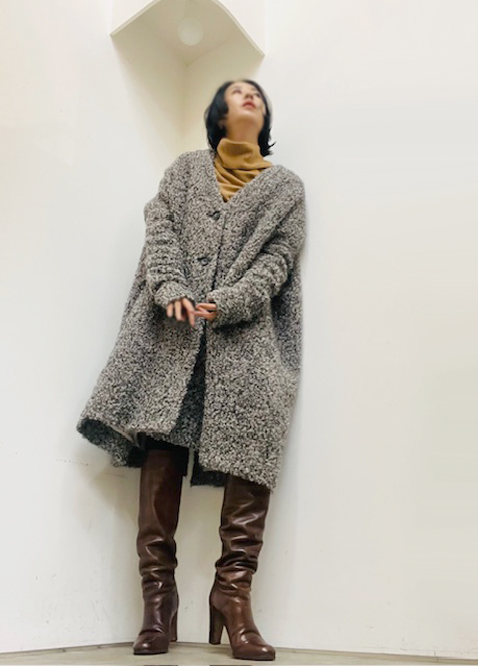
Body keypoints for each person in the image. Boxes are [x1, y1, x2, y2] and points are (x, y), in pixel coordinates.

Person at [76, 78, 306, 660]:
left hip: (248, 340)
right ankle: (159, 601)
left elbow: (279, 261)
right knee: (163, 445)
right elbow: (160, 231)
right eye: (237, 91)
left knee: (252, 447)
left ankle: (233, 595)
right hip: (173, 333)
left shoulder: (286, 188)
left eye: (257, 93)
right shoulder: (183, 172)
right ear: (218, 113)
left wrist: (228, 302)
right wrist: (171, 286)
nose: (250, 96)